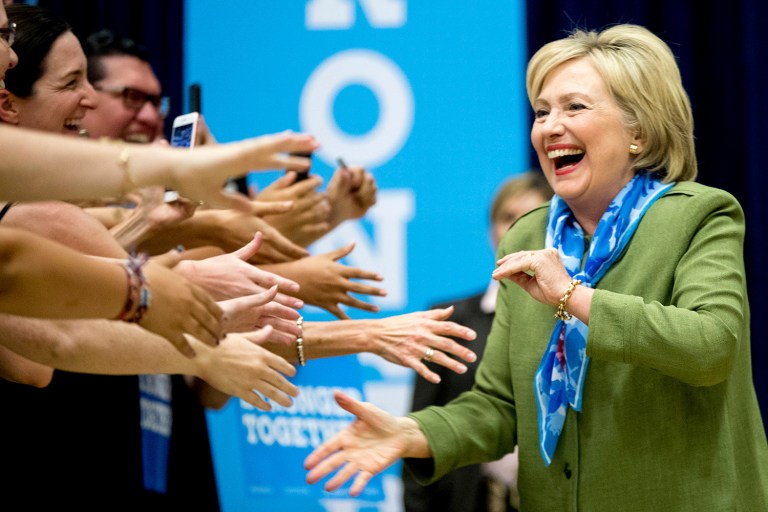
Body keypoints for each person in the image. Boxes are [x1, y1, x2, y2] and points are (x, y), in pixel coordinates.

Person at [304, 24, 768, 511]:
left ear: (640, 131)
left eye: (574, 107)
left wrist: (573, 296)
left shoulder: (699, 215)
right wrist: (414, 432)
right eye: (542, 111)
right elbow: (500, 406)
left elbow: (712, 346)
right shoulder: (527, 236)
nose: (550, 127)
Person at [403, 171, 552, 512]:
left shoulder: (575, 313)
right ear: (491, 231)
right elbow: (423, 424)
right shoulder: (448, 319)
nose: (517, 229)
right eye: (507, 217)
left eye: (532, 217)